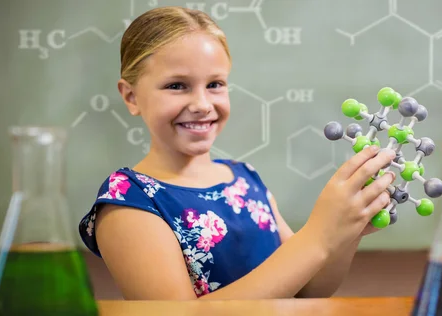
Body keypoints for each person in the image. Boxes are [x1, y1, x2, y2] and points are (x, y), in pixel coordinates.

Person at [78, 6, 396, 301]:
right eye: (177, 86)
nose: (202, 104)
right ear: (131, 96)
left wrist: (343, 234)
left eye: (215, 84)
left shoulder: (245, 179)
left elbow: (310, 290)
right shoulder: (127, 202)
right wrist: (318, 234)